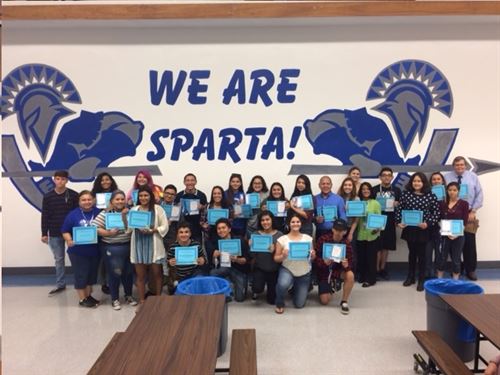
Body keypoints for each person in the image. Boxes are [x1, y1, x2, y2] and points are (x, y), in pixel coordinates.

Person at [93, 190, 138, 310]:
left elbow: (135, 226)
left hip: (128, 246)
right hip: (112, 247)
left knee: (128, 273)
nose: (120, 201)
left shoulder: (130, 212)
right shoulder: (105, 213)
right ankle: (115, 299)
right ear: (112, 201)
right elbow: (94, 227)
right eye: (117, 199)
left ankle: (128, 296)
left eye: (122, 199)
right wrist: (108, 233)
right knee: (114, 273)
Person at [395, 172, 441, 291]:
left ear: (423, 183)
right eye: (415, 181)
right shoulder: (406, 194)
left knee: (422, 255)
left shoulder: (431, 195)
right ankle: (410, 277)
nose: (416, 183)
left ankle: (421, 279)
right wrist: (399, 222)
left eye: (419, 181)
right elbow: (399, 209)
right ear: (411, 182)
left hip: (424, 230)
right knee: (412, 254)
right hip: (410, 229)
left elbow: (436, 213)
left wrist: (427, 223)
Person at [444, 156, 483, 281]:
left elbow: (479, 195)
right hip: (452, 215)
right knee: (453, 243)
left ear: (465, 165)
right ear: (453, 166)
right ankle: (457, 268)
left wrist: (474, 210)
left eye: (461, 165)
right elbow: (443, 194)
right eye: (457, 165)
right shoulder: (446, 177)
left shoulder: (473, 177)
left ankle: (470, 270)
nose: (459, 167)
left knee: (469, 244)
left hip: (469, 214)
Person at [61, 190, 101, 307]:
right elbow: (64, 230)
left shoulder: (99, 212)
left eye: (89, 199)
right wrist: (69, 240)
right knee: (81, 274)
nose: (87, 202)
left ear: (93, 200)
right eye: (83, 200)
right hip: (78, 251)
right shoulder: (73, 214)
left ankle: (88, 296)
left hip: (94, 250)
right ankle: (82, 299)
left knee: (91, 275)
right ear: (79, 202)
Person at [41, 170, 79, 295]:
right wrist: (44, 233)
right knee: (59, 259)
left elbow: (77, 215)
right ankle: (61, 284)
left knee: (77, 257)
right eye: (57, 179)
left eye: (63, 179)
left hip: (71, 232)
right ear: (54, 180)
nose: (60, 181)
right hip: (55, 232)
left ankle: (80, 282)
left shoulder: (74, 195)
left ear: (67, 180)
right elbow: (45, 215)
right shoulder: (48, 197)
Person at [130, 185, 169, 304]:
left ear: (150, 196)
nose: (143, 197)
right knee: (140, 276)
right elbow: (129, 228)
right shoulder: (134, 210)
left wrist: (154, 230)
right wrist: (124, 218)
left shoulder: (158, 209)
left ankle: (158, 298)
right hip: (138, 245)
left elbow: (165, 226)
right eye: (141, 195)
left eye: (146, 195)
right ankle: (142, 300)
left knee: (157, 274)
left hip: (154, 244)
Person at [274, 213, 316, 314]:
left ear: (301, 224)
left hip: (304, 271)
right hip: (288, 269)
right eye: (293, 222)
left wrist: (313, 255)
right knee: (283, 284)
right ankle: (279, 302)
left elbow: (312, 258)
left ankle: (294, 289)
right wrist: (283, 256)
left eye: (298, 222)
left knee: (299, 305)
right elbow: (276, 258)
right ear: (289, 223)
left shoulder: (308, 238)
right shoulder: (282, 239)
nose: (295, 224)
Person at [314, 219, 355, 314]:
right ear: (332, 229)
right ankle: (331, 287)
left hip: (338, 271)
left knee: (350, 275)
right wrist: (324, 262)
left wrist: (346, 265)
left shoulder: (346, 244)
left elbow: (351, 262)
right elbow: (315, 259)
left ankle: (344, 301)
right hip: (324, 272)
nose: (338, 232)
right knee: (324, 301)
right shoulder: (323, 239)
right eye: (336, 229)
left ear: (345, 232)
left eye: (341, 230)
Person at [90, 171, 119, 295]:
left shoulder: (117, 194)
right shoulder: (93, 196)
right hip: (100, 226)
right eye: (102, 180)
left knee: (112, 257)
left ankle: (114, 280)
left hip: (114, 227)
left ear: (111, 181)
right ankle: (104, 283)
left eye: (107, 179)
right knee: (102, 258)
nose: (105, 182)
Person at [371, 167, 401, 280]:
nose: (387, 177)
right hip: (376, 221)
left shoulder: (397, 190)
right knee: (376, 246)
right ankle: (375, 269)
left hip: (390, 221)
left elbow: (401, 208)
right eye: (384, 175)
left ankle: (382, 269)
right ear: (380, 177)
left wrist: (397, 204)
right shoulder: (374, 190)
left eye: (389, 175)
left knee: (386, 247)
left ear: (392, 177)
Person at [210, 218, 250, 302]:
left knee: (240, 298)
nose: (221, 230)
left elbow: (246, 260)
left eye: (223, 228)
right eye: (219, 228)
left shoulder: (239, 240)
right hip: (224, 268)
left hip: (239, 270)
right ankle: (226, 286)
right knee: (213, 273)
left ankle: (233, 283)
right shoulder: (216, 242)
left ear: (229, 229)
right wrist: (214, 256)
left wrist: (237, 259)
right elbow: (214, 264)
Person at [437, 182, 469, 280]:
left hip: (458, 236)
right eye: (450, 190)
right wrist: (445, 232)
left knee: (456, 259)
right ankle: (439, 280)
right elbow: (438, 219)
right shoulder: (442, 203)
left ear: (458, 191)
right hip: (444, 236)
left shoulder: (464, 204)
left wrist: (456, 234)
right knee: (442, 258)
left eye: (454, 190)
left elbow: (464, 221)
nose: (452, 192)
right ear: (447, 191)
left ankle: (455, 281)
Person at [249, 211, 283, 304]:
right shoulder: (256, 234)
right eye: (262, 220)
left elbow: (283, 255)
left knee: (272, 301)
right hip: (260, 268)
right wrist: (251, 247)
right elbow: (252, 256)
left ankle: (270, 287)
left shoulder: (279, 235)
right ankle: (256, 290)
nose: (265, 222)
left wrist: (275, 249)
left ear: (272, 220)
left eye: (267, 219)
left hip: (274, 269)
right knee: (257, 288)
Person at [355, 182, 381, 287]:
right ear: (360, 191)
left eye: (367, 189)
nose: (365, 191)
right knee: (361, 257)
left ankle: (371, 279)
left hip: (372, 234)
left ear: (371, 191)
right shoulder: (357, 203)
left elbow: (379, 219)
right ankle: (362, 276)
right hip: (360, 233)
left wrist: (377, 229)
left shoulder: (375, 203)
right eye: (363, 189)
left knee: (371, 258)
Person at [167, 222, 206, 288]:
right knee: (180, 292)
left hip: (194, 273)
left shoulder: (196, 245)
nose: (184, 234)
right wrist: (170, 262)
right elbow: (168, 262)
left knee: (198, 282)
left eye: (186, 232)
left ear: (190, 233)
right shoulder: (172, 247)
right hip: (179, 275)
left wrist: (202, 261)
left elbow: (203, 259)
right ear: (177, 234)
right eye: (181, 232)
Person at [202, 186, 231, 269]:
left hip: (224, 236)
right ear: (212, 195)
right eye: (214, 193)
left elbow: (231, 221)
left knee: (224, 257)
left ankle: (225, 272)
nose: (217, 195)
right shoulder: (207, 206)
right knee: (213, 257)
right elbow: (202, 221)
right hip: (210, 236)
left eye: (219, 193)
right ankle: (214, 271)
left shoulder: (228, 206)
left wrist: (224, 226)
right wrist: (205, 226)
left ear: (222, 195)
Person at [174, 173, 208, 243]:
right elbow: (174, 213)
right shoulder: (179, 195)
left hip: (197, 229)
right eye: (187, 180)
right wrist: (178, 207)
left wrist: (202, 207)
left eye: (192, 180)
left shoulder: (202, 195)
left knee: (197, 250)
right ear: (184, 182)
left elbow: (206, 212)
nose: (190, 182)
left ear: (196, 182)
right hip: (182, 230)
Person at [426, 172, 446, 279]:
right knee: (428, 251)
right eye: (434, 179)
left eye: (438, 179)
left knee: (440, 252)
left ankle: (439, 274)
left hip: (443, 227)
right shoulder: (427, 194)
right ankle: (428, 273)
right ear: (431, 182)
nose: (436, 181)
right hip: (429, 227)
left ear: (442, 181)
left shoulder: (447, 194)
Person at [162, 184, 179, 293]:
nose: (169, 196)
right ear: (163, 193)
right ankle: (157, 284)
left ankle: (171, 286)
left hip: (172, 238)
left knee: (172, 263)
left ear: (175, 196)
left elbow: (181, 226)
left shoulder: (176, 209)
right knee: (159, 264)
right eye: (167, 193)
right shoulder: (157, 207)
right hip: (158, 238)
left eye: (172, 194)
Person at [225, 173, 247, 238]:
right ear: (230, 183)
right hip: (229, 226)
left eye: (237, 182)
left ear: (240, 183)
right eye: (233, 181)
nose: (235, 183)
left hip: (241, 225)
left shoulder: (243, 195)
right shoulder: (225, 194)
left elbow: (246, 211)